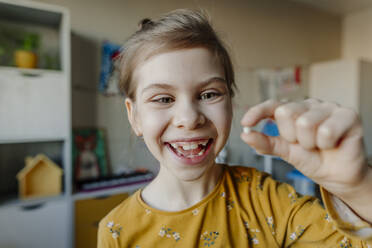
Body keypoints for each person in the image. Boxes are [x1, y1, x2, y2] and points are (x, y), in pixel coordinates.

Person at [97, 9, 372, 247]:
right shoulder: (116, 231)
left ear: (230, 103)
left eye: (209, 94)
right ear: (134, 117)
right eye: (163, 99)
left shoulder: (265, 199)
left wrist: (358, 187)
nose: (190, 118)